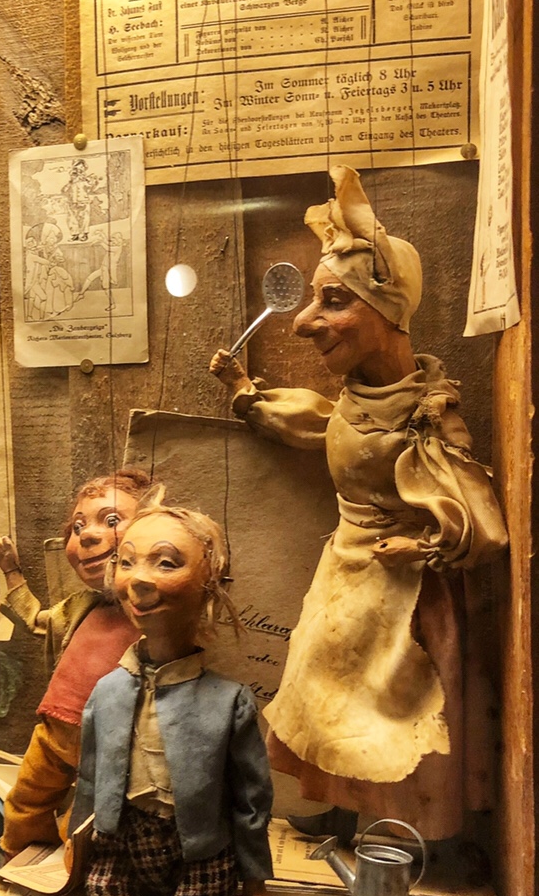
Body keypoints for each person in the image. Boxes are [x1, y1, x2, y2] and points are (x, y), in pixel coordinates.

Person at [210, 166, 507, 841]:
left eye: (333, 302)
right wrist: (246, 391)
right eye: (313, 301)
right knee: (329, 703)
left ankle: (405, 840)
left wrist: (423, 545)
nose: (305, 322)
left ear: (388, 310)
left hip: (408, 603)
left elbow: (484, 525)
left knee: (395, 714)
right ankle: (344, 821)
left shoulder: (428, 417)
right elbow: (319, 425)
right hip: (344, 583)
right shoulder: (354, 402)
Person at [71, 493, 273, 896]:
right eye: (129, 561)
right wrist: (76, 850)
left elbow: (251, 800)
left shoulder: (228, 701)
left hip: (200, 851)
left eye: (166, 562)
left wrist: (255, 882)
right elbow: (88, 777)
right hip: (121, 839)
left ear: (208, 584)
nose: (140, 579)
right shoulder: (106, 691)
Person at [0, 469, 149, 858]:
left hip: (109, 740)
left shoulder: (152, 619)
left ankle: (70, 874)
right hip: (53, 729)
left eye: (110, 520)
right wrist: (12, 572)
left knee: (87, 817)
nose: (88, 535)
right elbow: (36, 619)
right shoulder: (79, 607)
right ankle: (15, 863)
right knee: (26, 799)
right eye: (78, 527)